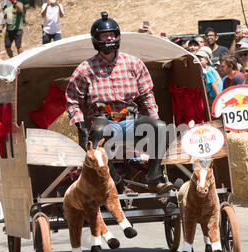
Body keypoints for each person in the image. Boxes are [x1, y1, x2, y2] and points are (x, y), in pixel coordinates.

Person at [65, 12, 173, 195]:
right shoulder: (85, 69)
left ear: (117, 37)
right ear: (96, 40)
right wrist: (80, 125)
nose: (109, 38)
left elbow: (147, 95)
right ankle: (116, 183)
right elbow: (72, 99)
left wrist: (154, 118)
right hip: (104, 121)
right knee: (98, 132)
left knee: (161, 127)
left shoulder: (133, 63)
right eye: (104, 36)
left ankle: (155, 177)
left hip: (131, 119)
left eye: (112, 35)